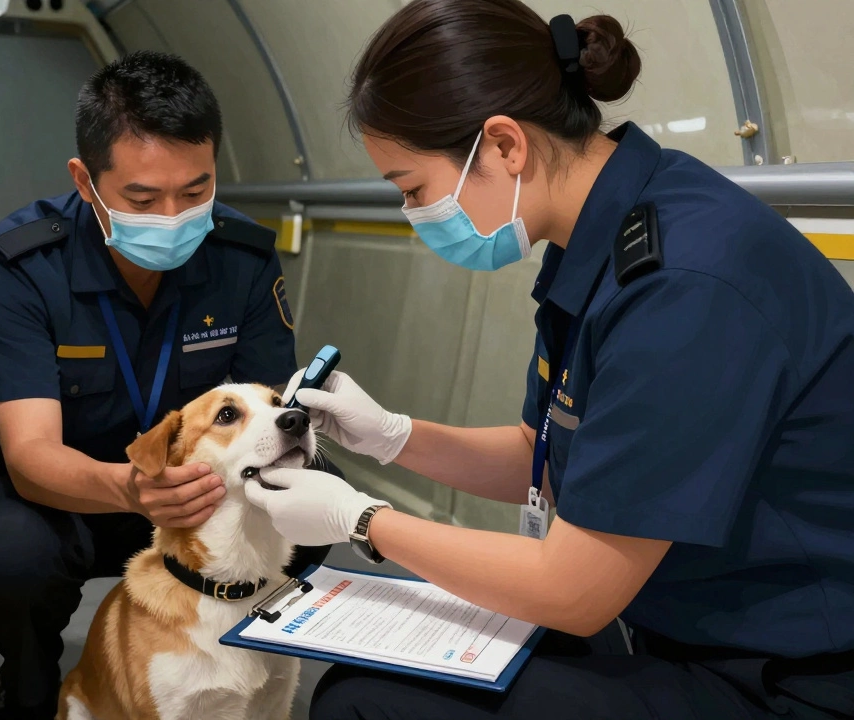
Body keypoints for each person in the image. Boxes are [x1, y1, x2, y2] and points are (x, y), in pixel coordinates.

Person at [243, 1, 854, 718]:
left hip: (787, 678)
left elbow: (575, 592)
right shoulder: (606, 232)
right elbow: (552, 456)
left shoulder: (683, 286)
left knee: (365, 701)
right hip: (682, 623)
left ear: (504, 145)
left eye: (414, 189)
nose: (415, 215)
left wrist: (361, 520)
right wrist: (393, 436)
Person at [0, 50, 335, 720]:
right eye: (142, 198)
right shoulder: (18, 264)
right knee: (15, 557)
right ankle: (31, 685)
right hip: (62, 494)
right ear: (85, 180)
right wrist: (133, 489)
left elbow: (269, 411)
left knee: (313, 514)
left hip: (199, 484)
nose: (174, 216)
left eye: (195, 191)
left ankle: (245, 669)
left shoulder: (241, 255)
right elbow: (32, 453)